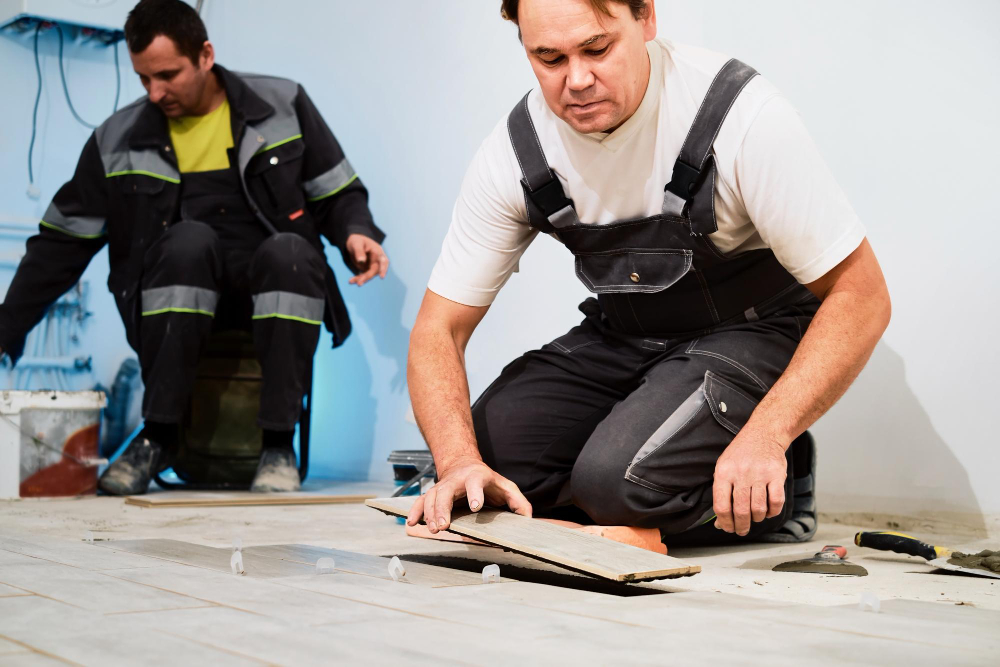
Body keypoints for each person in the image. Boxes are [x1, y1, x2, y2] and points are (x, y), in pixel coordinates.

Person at [405, 0, 891, 544]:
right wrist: (456, 462)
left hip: (756, 328)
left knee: (618, 483)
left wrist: (768, 434)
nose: (578, 80)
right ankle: (639, 482)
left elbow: (862, 296)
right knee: (490, 460)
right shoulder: (518, 151)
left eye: (597, 48)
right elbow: (437, 330)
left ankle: (777, 483)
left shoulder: (737, 115)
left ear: (646, 19)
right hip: (628, 335)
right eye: (549, 58)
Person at [0, 0, 389, 495]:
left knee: (289, 251)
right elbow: (60, 243)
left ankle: (277, 446)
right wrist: (6, 326)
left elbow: (337, 193)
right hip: (176, 301)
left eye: (167, 75)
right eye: (143, 79)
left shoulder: (283, 105)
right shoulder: (117, 140)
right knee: (188, 241)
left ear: (205, 54)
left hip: (271, 295)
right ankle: (157, 435)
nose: (155, 92)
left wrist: (359, 231)